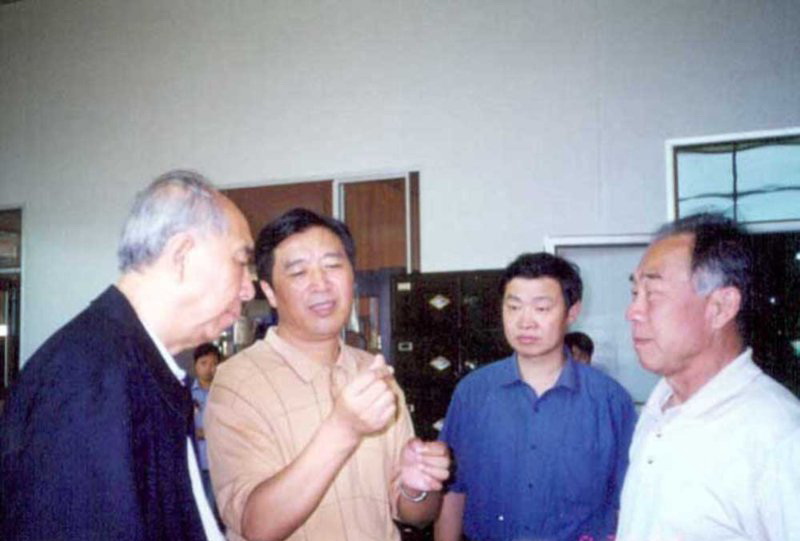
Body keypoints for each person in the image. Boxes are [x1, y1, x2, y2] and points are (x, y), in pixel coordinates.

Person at [0, 170, 255, 541]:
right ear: (182, 255)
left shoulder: (133, 366)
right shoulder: (88, 381)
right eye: (241, 261)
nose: (248, 289)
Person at [204, 208, 450, 541]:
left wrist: (417, 487)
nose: (320, 284)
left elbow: (416, 515)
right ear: (270, 292)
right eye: (298, 272)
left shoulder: (375, 375)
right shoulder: (236, 383)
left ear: (352, 277)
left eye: (333, 266)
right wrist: (344, 428)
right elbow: (256, 525)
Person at [618, 213, 800, 540]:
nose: (633, 312)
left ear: (720, 307)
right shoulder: (659, 409)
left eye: (653, 293)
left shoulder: (778, 435)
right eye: (634, 293)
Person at [435, 252, 636, 541]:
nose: (525, 322)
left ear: (572, 312)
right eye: (513, 307)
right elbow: (453, 492)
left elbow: (627, 503)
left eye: (541, 308)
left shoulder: (611, 402)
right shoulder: (473, 394)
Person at [192, 342, 223, 517]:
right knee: (193, 509)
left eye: (214, 364)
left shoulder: (224, 394)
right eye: (204, 363)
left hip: (216, 463)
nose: (209, 369)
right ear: (195, 365)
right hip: (193, 461)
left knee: (210, 510)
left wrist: (203, 432)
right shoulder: (186, 393)